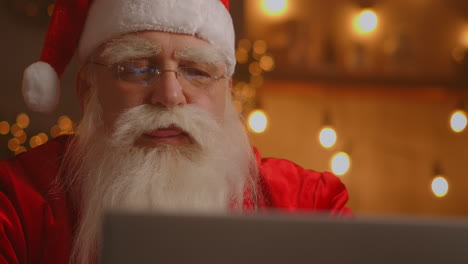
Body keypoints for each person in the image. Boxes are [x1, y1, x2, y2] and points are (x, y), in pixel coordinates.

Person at [0, 0, 352, 263]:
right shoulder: (18, 200)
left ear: (227, 90)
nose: (169, 97)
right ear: (87, 90)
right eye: (137, 68)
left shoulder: (310, 205)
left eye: (197, 70)